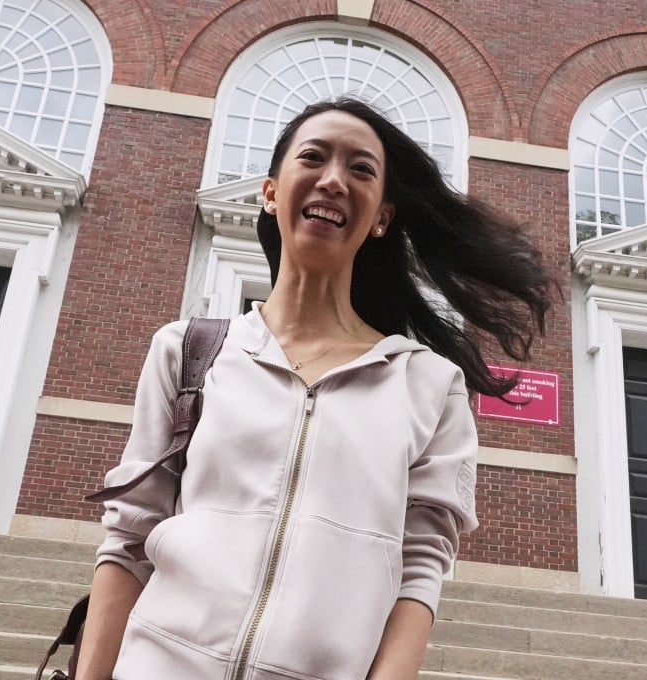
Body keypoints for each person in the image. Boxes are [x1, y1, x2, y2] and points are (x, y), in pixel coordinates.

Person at [77, 97, 555, 680]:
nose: (333, 180)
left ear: (381, 216)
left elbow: (420, 570)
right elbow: (129, 538)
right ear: (272, 191)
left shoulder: (430, 385)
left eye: (361, 170)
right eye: (314, 157)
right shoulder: (188, 352)